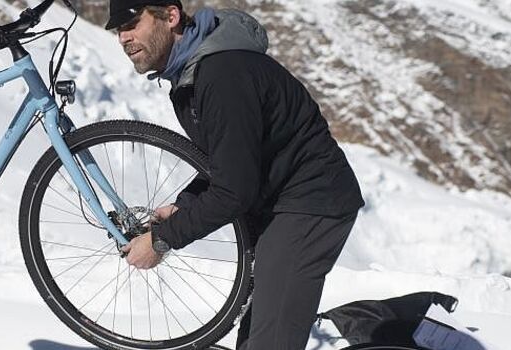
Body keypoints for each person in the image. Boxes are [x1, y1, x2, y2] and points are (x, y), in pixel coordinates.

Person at [105, 0, 367, 348]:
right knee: (257, 336)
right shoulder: (193, 74)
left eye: (132, 24)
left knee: (269, 342)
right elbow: (229, 161)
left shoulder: (221, 74)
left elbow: (234, 190)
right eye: (119, 30)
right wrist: (186, 204)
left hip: (310, 203)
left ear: (170, 16)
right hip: (280, 200)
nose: (124, 38)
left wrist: (160, 240)